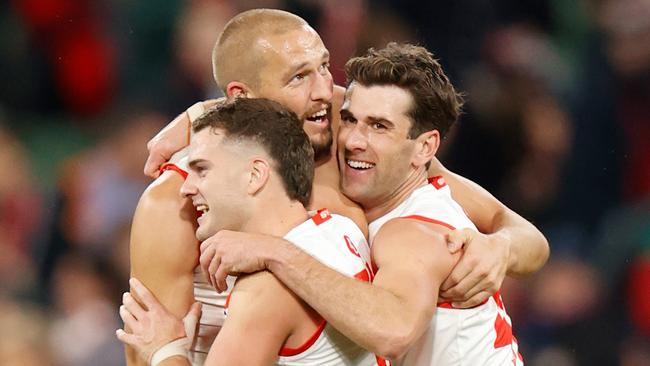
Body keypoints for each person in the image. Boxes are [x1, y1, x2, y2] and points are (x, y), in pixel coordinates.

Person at [129, 7, 547, 365]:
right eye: (298, 78)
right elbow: (147, 340)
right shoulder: (177, 202)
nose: (325, 91)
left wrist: (501, 247)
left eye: (325, 67)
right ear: (243, 96)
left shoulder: (352, 135)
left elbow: (522, 234)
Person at [119, 97, 378, 365]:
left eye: (202, 170)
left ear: (255, 175)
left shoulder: (265, 290)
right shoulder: (341, 228)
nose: (187, 187)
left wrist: (165, 350)